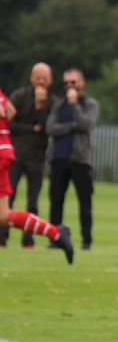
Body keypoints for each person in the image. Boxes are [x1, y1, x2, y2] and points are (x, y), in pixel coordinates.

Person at [0, 84, 74, 263]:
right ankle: (57, 234)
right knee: (3, 215)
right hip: (5, 151)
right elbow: (9, 111)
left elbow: (3, 111)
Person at [0, 63, 57, 248]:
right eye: (37, 77)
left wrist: (40, 106)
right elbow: (10, 117)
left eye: (44, 78)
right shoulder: (19, 95)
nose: (40, 81)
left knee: (32, 201)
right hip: (13, 153)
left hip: (35, 156)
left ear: (50, 81)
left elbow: (47, 128)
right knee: (6, 206)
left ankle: (28, 241)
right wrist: (31, 128)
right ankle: (3, 239)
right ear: (31, 78)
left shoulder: (52, 102)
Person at [46, 68, 99, 251]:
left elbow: (85, 124)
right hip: (59, 158)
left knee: (85, 203)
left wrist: (74, 105)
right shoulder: (59, 106)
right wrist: (72, 126)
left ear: (82, 83)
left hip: (80, 160)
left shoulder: (90, 104)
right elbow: (50, 128)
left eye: (73, 82)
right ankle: (55, 239)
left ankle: (86, 241)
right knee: (56, 202)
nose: (69, 86)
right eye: (66, 83)